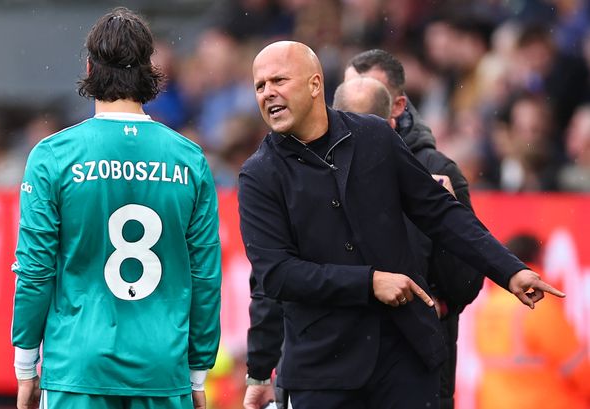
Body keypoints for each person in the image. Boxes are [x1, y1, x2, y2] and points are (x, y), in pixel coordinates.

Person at [239, 40, 564, 409]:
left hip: (405, 358)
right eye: (260, 86)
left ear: (315, 84)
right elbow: (276, 276)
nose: (268, 93)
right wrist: (369, 282)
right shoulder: (258, 175)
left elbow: (440, 212)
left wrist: (509, 270)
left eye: (278, 80)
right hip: (322, 373)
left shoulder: (375, 137)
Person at [11, 8, 222, 409]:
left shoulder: (53, 156)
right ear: (149, 71)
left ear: (90, 68)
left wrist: (25, 364)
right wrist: (197, 371)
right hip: (162, 367)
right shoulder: (190, 159)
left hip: (78, 367)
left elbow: (35, 269)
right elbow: (206, 275)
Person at [343, 49, 485, 409]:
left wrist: (444, 222)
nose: (353, 110)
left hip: (418, 376)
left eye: (371, 94)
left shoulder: (438, 173)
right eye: (347, 95)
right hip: (340, 375)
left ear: (397, 105)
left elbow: (465, 285)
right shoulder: (315, 169)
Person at [475, 233, 590, 409]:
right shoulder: (536, 305)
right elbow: (577, 365)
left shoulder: (491, 303)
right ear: (539, 258)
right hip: (540, 403)